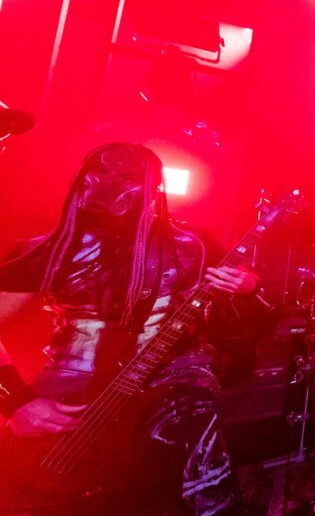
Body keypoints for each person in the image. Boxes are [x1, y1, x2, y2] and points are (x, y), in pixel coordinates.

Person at [0, 142, 262, 514]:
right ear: (80, 182)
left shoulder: (192, 245)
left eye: (128, 177)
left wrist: (249, 287)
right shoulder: (47, 250)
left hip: (171, 385)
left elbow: (246, 294)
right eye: (100, 174)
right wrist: (15, 402)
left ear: (155, 190)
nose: (112, 185)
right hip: (73, 396)